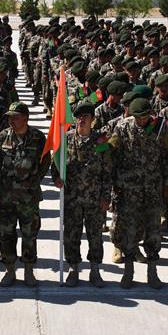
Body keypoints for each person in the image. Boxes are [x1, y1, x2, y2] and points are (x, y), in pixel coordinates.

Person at [108, 97, 168, 289]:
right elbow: (112, 154)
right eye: (138, 117)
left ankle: (152, 272)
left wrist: (167, 186)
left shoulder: (161, 129)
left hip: (153, 189)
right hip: (129, 190)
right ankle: (128, 271)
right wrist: (115, 183)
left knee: (153, 232)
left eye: (145, 117)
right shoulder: (123, 127)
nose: (141, 120)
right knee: (129, 231)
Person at [53, 100, 112, 287]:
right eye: (78, 117)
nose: (81, 120)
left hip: (94, 199)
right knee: (71, 235)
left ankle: (95, 270)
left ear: (92, 119)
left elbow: (107, 172)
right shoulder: (66, 139)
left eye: (85, 117)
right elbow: (55, 163)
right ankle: (73, 269)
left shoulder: (100, 142)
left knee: (95, 236)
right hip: (72, 199)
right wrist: (56, 178)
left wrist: (106, 197)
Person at [0, 102, 50, 287]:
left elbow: (45, 162)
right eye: (10, 117)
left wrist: (34, 180)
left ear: (25, 117)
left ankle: (28, 271)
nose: (12, 120)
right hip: (7, 197)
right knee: (6, 235)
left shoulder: (38, 137)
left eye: (15, 117)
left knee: (29, 235)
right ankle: (9, 270)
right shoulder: (3, 136)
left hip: (29, 198)